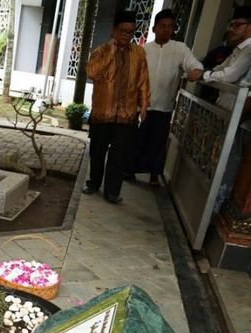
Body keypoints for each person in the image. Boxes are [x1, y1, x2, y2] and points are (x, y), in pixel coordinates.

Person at [128, 9, 203, 186]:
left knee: (158, 143)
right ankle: (130, 170)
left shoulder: (179, 49)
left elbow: (195, 65)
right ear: (154, 29)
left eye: (170, 26)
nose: (166, 30)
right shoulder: (144, 50)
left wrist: (196, 71)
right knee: (138, 140)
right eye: (162, 26)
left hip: (164, 107)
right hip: (142, 106)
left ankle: (154, 175)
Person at [82, 10, 150, 204]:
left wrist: (144, 105)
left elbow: (143, 80)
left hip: (126, 114)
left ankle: (112, 191)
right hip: (103, 112)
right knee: (97, 152)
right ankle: (94, 183)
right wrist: (111, 53)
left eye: (130, 31)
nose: (126, 35)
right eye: (123, 31)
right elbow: (92, 73)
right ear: (114, 30)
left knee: (119, 155)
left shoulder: (139, 53)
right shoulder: (101, 51)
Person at [201, 7, 251, 110]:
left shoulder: (249, 49)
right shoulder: (238, 49)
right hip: (226, 110)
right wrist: (204, 72)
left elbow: (228, 76)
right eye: (231, 25)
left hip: (238, 115)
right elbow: (220, 68)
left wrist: (204, 74)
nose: (231, 29)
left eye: (237, 25)